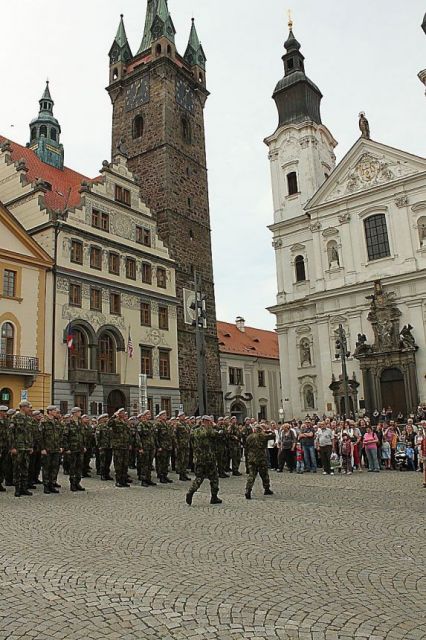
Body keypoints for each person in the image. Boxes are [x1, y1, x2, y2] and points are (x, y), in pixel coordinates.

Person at [186, 415, 222, 505]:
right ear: (208, 422)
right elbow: (220, 433)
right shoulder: (209, 431)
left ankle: (191, 492)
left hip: (198, 458)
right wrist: (215, 425)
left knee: (199, 477)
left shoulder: (194, 431)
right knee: (214, 478)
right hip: (209, 458)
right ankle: (214, 497)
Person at [8, 401, 34, 497]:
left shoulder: (29, 418)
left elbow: (30, 434)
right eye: (28, 407)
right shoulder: (15, 417)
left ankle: (24, 488)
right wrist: (12, 447)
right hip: (18, 447)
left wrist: (31, 446)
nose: (29, 409)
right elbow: (10, 434)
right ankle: (17, 489)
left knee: (25, 468)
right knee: (17, 468)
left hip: (26, 447)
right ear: (23, 407)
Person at [245, 424, 275, 499]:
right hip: (261, 458)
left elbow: (246, 448)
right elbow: (273, 435)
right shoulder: (263, 436)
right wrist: (268, 431)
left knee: (251, 475)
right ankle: (266, 489)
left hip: (252, 458)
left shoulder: (249, 437)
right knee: (264, 474)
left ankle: (248, 490)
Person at [62, 407, 86, 492]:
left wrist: (84, 446)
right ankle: (72, 484)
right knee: (72, 467)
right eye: (79, 412)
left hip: (80, 448)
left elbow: (83, 436)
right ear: (74, 413)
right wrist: (67, 448)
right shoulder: (68, 423)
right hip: (72, 449)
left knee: (79, 467)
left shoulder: (80, 423)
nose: (80, 413)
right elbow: (65, 437)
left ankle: (78, 483)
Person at [40, 405, 63, 494]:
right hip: (47, 449)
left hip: (56, 448)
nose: (56, 412)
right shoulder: (44, 422)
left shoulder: (57, 422)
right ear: (49, 411)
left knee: (55, 468)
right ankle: (46, 486)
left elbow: (60, 435)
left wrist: (61, 446)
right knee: (46, 468)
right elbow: (40, 437)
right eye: (54, 410)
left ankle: (52, 484)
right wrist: (42, 448)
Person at [109, 408, 132, 488]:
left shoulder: (125, 423)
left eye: (124, 413)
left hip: (125, 446)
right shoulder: (115, 421)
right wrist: (113, 416)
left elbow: (128, 434)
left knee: (125, 464)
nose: (123, 414)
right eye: (121, 413)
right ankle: (118, 481)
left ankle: (123, 480)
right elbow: (109, 424)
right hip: (118, 446)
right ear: (118, 414)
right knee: (118, 464)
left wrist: (129, 443)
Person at [137, 410, 157, 487]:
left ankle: (148, 479)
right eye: (148, 414)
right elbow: (138, 438)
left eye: (150, 414)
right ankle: (143, 480)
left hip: (151, 447)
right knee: (144, 464)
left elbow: (153, 436)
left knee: (149, 464)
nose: (149, 415)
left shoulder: (150, 424)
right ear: (144, 416)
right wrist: (140, 447)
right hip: (144, 447)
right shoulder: (141, 425)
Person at [155, 410, 174, 483]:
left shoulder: (166, 424)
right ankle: (161, 476)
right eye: (164, 415)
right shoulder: (158, 424)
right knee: (161, 462)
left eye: (165, 415)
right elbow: (156, 437)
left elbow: (169, 436)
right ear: (160, 416)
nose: (165, 416)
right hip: (162, 446)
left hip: (167, 446)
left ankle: (165, 475)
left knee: (166, 462)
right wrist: (158, 446)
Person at [96, 414, 113, 481]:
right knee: (103, 461)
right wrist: (99, 446)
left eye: (107, 417)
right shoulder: (100, 426)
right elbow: (97, 437)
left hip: (109, 446)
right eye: (105, 417)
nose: (107, 418)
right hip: (103, 446)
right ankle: (102, 474)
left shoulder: (110, 426)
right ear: (102, 419)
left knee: (108, 461)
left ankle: (107, 474)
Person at [175, 412, 191, 481]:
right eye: (182, 416)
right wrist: (177, 444)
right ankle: (181, 475)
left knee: (186, 460)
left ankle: (184, 474)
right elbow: (175, 435)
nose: (184, 417)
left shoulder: (186, 424)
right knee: (181, 460)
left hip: (186, 444)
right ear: (179, 417)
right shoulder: (177, 425)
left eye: (184, 415)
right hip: (181, 445)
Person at [0, 405, 9, 492]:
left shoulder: (7, 421)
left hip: (5, 446)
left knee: (3, 466)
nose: (6, 413)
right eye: (4, 412)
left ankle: (0, 483)